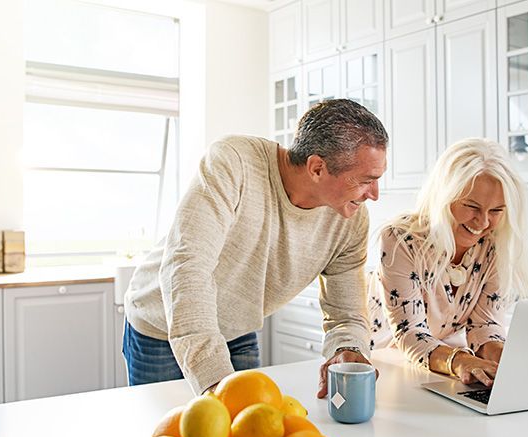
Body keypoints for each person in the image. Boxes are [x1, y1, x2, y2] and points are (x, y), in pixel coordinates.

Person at [123, 99, 388, 397]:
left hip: (237, 329)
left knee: (248, 435)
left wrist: (348, 348)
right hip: (164, 327)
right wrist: (216, 382)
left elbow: (347, 311)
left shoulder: (349, 218)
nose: (375, 194)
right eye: (367, 181)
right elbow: (187, 267)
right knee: (172, 435)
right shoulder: (233, 162)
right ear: (317, 168)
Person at [368, 138, 528, 387]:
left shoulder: (493, 245)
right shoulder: (401, 239)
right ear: (444, 198)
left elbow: (485, 326)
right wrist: (460, 361)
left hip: (442, 367)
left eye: (496, 211)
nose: (482, 223)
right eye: (472, 206)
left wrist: (506, 360)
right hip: (387, 366)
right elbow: (411, 334)